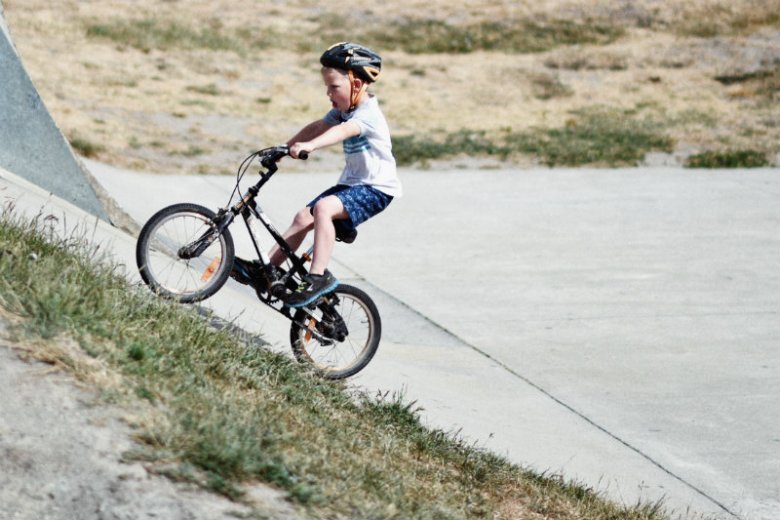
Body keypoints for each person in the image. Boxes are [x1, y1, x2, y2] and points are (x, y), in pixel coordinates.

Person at [233, 42, 402, 308]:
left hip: (376, 188)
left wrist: (310, 146)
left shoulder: (368, 114)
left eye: (334, 87)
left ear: (356, 85)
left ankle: (317, 277)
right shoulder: (344, 111)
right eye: (327, 87)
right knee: (303, 217)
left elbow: (340, 132)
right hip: (352, 184)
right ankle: (267, 269)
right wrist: (285, 148)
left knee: (323, 209)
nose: (328, 93)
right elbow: (320, 125)